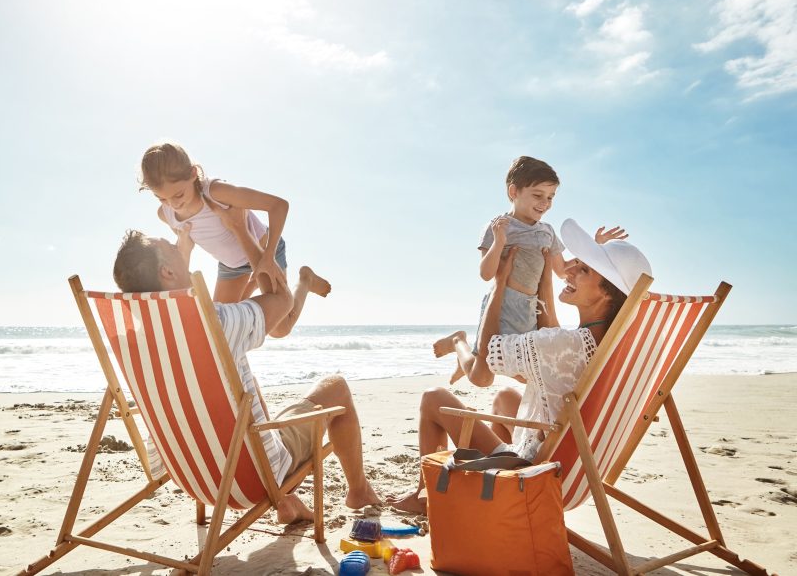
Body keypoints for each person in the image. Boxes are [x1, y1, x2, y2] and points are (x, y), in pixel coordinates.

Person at [112, 206, 382, 525]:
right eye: (171, 248)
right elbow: (282, 301)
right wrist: (242, 231)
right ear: (167, 273)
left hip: (190, 474)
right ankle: (359, 491)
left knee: (237, 377)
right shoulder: (216, 323)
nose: (178, 246)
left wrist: (180, 251)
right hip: (253, 476)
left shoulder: (135, 341)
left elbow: (178, 305)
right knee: (336, 387)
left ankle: (287, 503)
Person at [387, 219, 651, 514]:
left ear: (606, 293)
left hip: (536, 475)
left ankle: (427, 495)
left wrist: (499, 284)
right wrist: (546, 281)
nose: (570, 270)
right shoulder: (617, 345)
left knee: (433, 397)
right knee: (505, 399)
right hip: (582, 471)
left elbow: (487, 356)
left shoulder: (564, 345)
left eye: (584, 269)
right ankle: (480, 478)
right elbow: (551, 336)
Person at [436, 156, 627, 383]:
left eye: (550, 197)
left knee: (528, 376)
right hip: (503, 305)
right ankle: (459, 343)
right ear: (513, 191)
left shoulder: (547, 231)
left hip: (531, 308)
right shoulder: (498, 226)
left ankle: (468, 357)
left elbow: (562, 270)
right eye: (538, 195)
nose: (545, 203)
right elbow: (486, 274)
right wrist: (498, 242)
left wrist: (593, 250)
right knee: (481, 378)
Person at [138, 141, 329, 338]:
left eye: (178, 194)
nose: (173, 204)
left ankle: (305, 280)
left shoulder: (216, 192)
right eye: (162, 198)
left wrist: (269, 256)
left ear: (193, 173)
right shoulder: (166, 214)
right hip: (232, 267)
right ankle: (252, 283)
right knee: (219, 330)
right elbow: (184, 250)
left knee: (280, 329)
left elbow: (279, 206)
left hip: (262, 251)